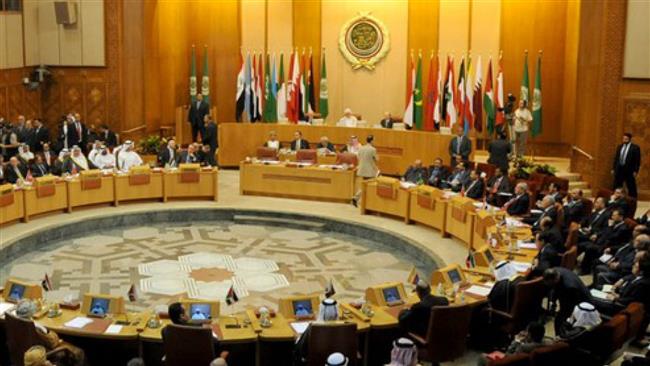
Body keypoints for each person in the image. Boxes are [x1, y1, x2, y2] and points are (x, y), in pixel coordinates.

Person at [15, 300, 85, 366]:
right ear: (32, 312)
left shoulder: (14, 321)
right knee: (79, 352)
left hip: (24, 352)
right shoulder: (37, 327)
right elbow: (53, 343)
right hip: (41, 354)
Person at [593, 251, 650, 316]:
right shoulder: (637, 276)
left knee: (591, 299)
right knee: (597, 287)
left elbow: (631, 301)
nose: (633, 266)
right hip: (618, 294)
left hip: (620, 305)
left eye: (635, 266)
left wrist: (615, 298)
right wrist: (615, 292)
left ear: (641, 272)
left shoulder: (642, 284)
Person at [578, 209, 632, 274]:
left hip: (608, 247)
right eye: (612, 215)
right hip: (601, 242)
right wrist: (596, 235)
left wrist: (610, 227)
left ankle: (585, 270)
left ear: (621, 217)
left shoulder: (623, 228)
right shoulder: (613, 223)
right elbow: (604, 231)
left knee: (590, 248)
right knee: (581, 244)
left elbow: (611, 237)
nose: (612, 217)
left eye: (614, 215)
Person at [543, 267, 591, 333]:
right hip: (573, 297)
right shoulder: (556, 270)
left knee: (559, 320)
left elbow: (567, 307)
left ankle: (559, 338)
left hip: (582, 303)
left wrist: (566, 316)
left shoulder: (568, 287)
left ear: (555, 279)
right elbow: (555, 288)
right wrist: (553, 301)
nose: (549, 285)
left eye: (550, 283)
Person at [294, 298, 340, 365]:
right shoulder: (345, 326)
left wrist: (298, 338)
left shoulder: (313, 327)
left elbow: (301, 349)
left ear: (321, 310)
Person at [612, 132, 641, 198]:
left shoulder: (635, 148)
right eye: (623, 138)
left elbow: (637, 160)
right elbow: (616, 158)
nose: (624, 140)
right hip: (619, 169)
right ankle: (616, 198)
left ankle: (633, 200)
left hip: (629, 170)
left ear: (629, 139)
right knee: (617, 185)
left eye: (626, 139)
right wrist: (613, 168)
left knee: (631, 186)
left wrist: (636, 171)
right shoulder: (620, 147)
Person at [352, 135, 378, 207]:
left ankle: (358, 198)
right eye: (374, 140)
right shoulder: (373, 149)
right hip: (369, 170)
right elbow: (377, 159)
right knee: (367, 185)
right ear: (372, 141)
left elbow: (358, 157)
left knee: (365, 185)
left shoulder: (361, 148)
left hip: (362, 169)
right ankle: (357, 198)